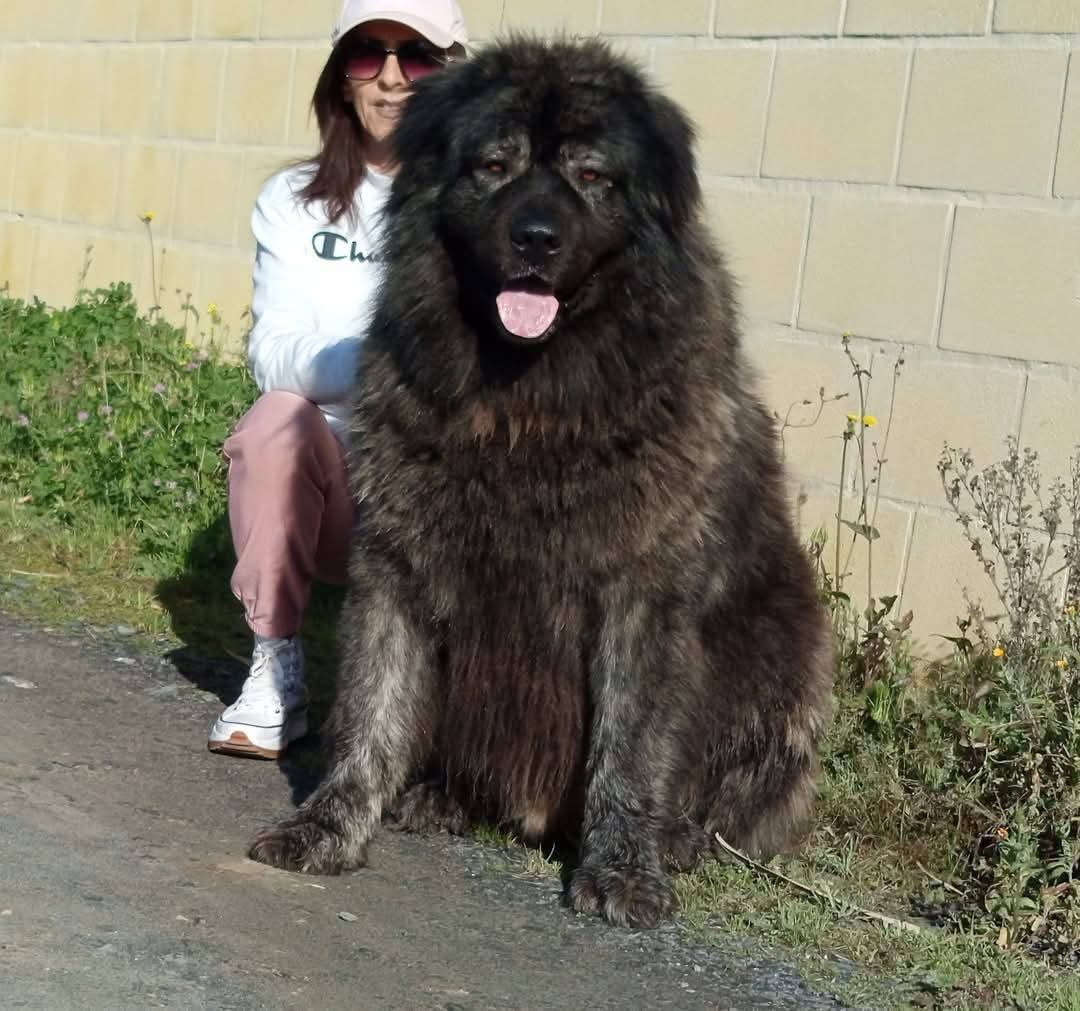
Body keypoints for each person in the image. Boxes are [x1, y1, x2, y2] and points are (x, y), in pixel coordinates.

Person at [208, 0, 469, 759]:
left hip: (447, 492)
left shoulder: (480, 199)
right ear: (341, 78)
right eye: (367, 55)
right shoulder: (292, 202)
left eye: (416, 57)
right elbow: (275, 351)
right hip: (338, 494)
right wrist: (393, 361)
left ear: (452, 74)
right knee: (275, 421)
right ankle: (274, 669)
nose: (391, 80)